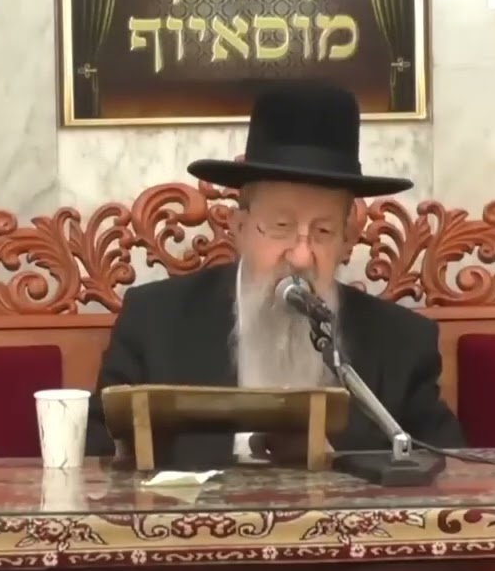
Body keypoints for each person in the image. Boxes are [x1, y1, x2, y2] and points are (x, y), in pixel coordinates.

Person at [84, 82, 465, 468]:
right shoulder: (154, 322)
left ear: (347, 240)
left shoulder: (400, 343)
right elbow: (94, 457)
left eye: (323, 231)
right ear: (239, 228)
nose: (300, 257)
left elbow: (448, 467)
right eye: (281, 226)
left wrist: (336, 464)